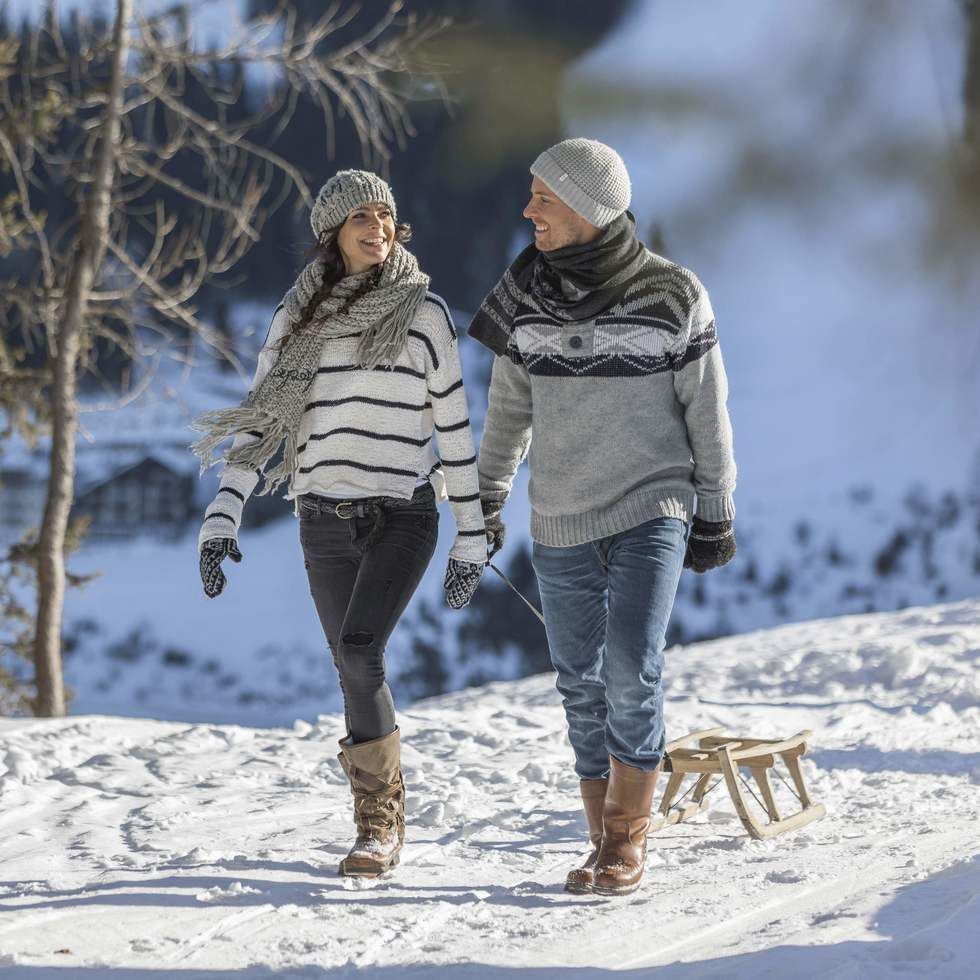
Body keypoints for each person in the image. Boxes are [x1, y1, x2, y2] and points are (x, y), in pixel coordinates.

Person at [191, 169, 487, 878]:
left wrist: (471, 537)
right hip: (321, 514)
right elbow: (263, 423)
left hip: (402, 514)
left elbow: (452, 428)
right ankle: (375, 815)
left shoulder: (424, 314)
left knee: (360, 651)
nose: (378, 227)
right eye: (362, 216)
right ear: (333, 230)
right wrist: (221, 516)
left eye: (386, 215)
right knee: (351, 667)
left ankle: (378, 823)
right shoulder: (297, 320)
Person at [470, 139, 737, 896]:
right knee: (579, 681)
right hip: (559, 512)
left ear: (587, 206)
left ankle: (626, 841)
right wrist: (486, 499)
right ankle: (600, 839)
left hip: (654, 503)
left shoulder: (673, 295)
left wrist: (715, 508)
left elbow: (707, 412)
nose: (528, 212)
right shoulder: (525, 297)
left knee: (630, 665)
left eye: (543, 198)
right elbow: (509, 412)